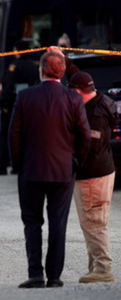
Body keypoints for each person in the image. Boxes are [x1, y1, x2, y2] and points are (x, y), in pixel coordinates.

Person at [9, 51, 91, 288]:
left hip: (31, 170)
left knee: (32, 222)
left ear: (41, 70)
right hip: (62, 170)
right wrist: (76, 162)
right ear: (63, 71)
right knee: (58, 223)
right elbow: (85, 136)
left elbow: (14, 135)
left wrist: (18, 165)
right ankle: (54, 276)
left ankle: (35, 273)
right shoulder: (73, 99)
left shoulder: (25, 97)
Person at [68, 71, 118, 283]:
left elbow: (90, 147)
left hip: (92, 175)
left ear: (79, 92)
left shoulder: (94, 114)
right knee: (93, 221)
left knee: (94, 222)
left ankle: (103, 268)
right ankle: (95, 266)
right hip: (102, 171)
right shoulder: (102, 100)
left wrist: (71, 162)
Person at [0, 40, 39, 176]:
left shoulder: (14, 67)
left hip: (14, 105)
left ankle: (2, 165)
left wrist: (5, 105)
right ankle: (21, 165)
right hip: (31, 105)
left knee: (7, 136)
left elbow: (9, 86)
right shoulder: (34, 65)